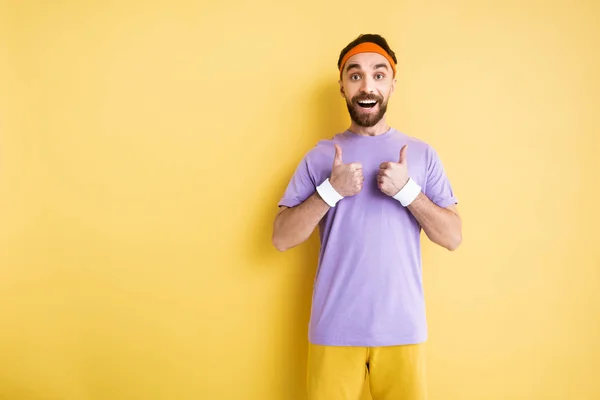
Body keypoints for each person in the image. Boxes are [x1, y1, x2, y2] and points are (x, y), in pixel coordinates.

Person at [272, 33, 462, 400]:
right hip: (334, 331)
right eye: (355, 75)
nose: (366, 85)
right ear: (342, 87)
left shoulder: (422, 156)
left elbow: (452, 236)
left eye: (379, 74)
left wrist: (408, 192)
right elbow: (281, 237)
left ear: (392, 84)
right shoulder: (319, 157)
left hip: (402, 331)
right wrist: (330, 190)